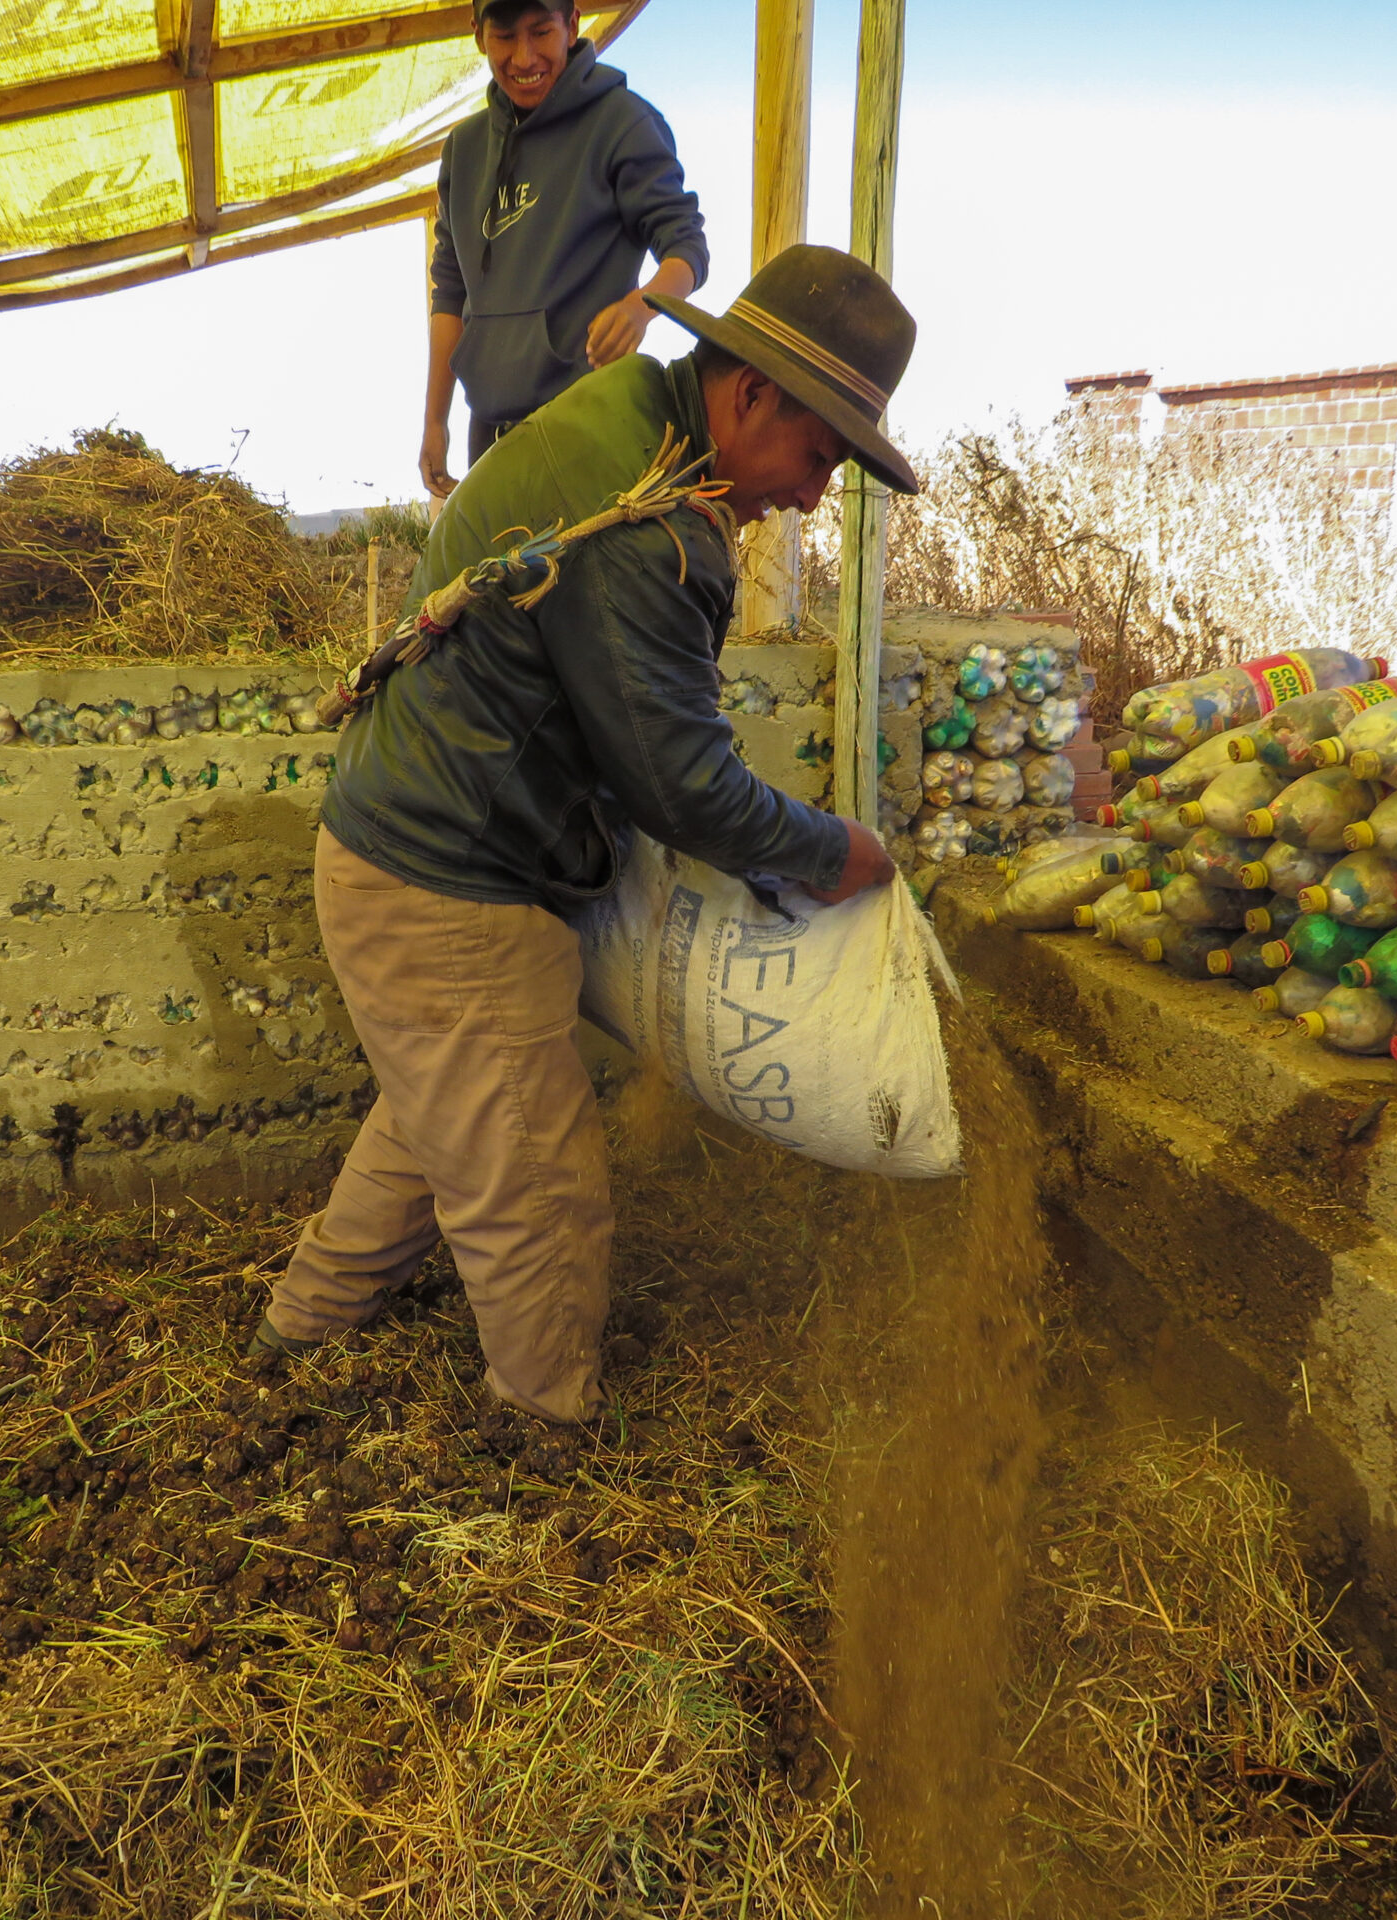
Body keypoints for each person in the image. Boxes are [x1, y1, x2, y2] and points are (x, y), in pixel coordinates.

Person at [267, 244, 916, 1422]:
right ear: (753, 393)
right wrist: (833, 851)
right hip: (446, 885)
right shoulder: (643, 529)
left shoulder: (634, 414)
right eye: (818, 456)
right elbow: (679, 783)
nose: (814, 495)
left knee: (446, 1113)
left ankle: (302, 1330)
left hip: (397, 847)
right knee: (535, 1185)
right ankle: (545, 1432)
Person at [419, 0, 709, 498]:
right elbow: (449, 292)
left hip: (588, 431)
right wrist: (435, 422)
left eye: (541, 32)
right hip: (488, 437)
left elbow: (687, 247)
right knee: (496, 576)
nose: (524, 57)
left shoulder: (622, 122)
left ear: (572, 25)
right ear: (478, 35)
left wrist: (639, 308)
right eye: (505, 38)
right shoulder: (463, 150)